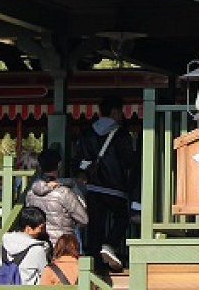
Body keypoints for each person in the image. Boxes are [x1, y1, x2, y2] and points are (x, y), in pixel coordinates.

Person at [72, 96, 137, 272]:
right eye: (121, 111)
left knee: (96, 225)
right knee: (123, 216)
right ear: (115, 111)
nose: (122, 115)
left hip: (92, 187)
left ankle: (95, 264)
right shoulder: (122, 134)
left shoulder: (87, 132)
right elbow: (127, 162)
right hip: (115, 187)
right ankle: (110, 245)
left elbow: (79, 159)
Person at [26, 148, 87, 247]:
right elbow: (84, 219)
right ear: (59, 165)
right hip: (63, 246)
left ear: (40, 167)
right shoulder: (64, 192)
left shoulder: (30, 194)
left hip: (40, 244)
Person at [0, 206, 50, 285]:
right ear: (28, 228)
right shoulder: (37, 249)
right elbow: (45, 274)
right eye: (41, 227)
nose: (43, 231)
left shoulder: (4, 243)